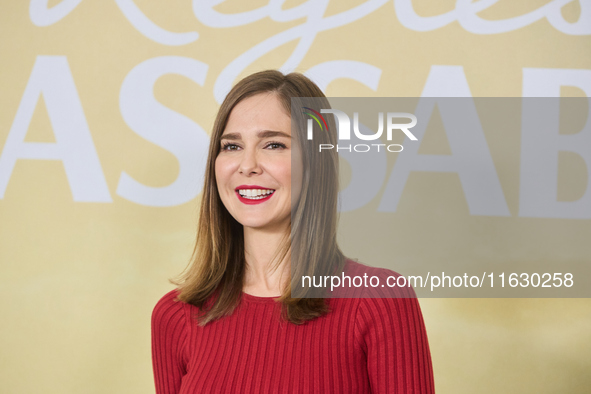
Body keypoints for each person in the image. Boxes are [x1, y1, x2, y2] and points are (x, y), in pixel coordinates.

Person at [151, 70, 434, 393]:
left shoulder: (379, 299)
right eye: (231, 146)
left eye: (273, 144)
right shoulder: (175, 315)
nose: (247, 165)